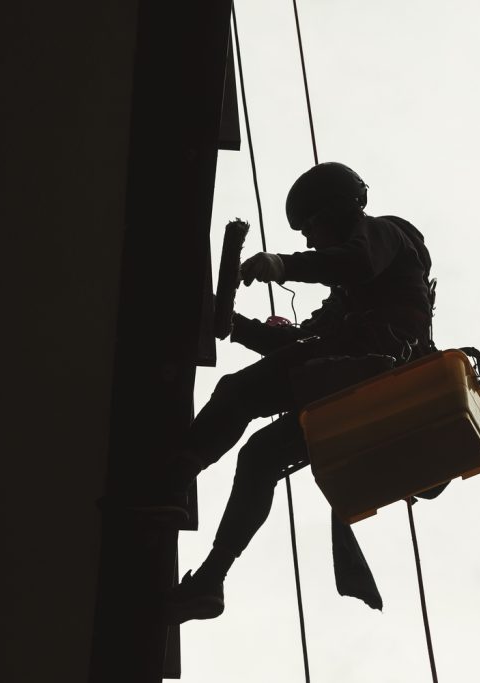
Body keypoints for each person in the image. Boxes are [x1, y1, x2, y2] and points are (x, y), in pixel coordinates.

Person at [141, 162, 434, 623]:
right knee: (259, 456)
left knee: (240, 391)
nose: (308, 240)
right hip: (356, 392)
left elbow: (353, 264)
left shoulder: (384, 237)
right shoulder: (350, 299)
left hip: (366, 376)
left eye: (310, 227)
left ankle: (170, 484)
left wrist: (283, 265)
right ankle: (211, 582)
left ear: (335, 211)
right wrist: (234, 326)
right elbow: (301, 342)